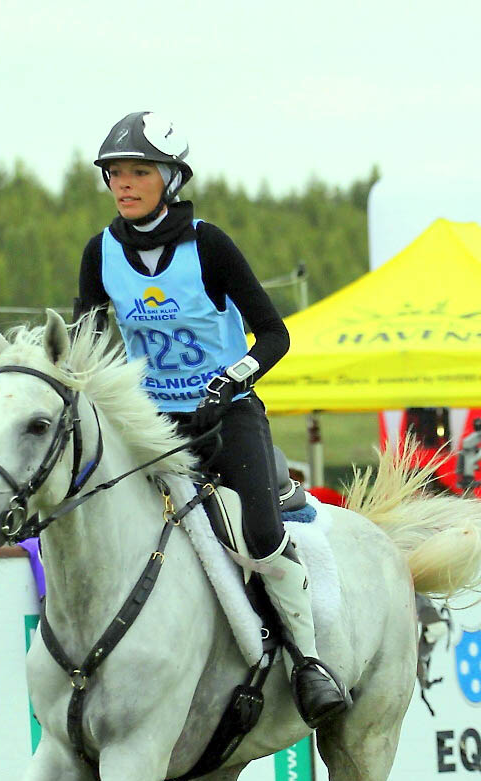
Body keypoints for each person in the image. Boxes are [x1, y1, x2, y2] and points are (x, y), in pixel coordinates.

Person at [75, 111, 348, 726]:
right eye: (115, 173)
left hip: (226, 418)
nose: (124, 184)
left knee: (259, 535)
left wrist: (230, 381)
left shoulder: (209, 245)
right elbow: (85, 342)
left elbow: (274, 335)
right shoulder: (100, 253)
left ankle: (308, 663)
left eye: (139, 171)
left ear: (171, 178)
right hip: (152, 427)